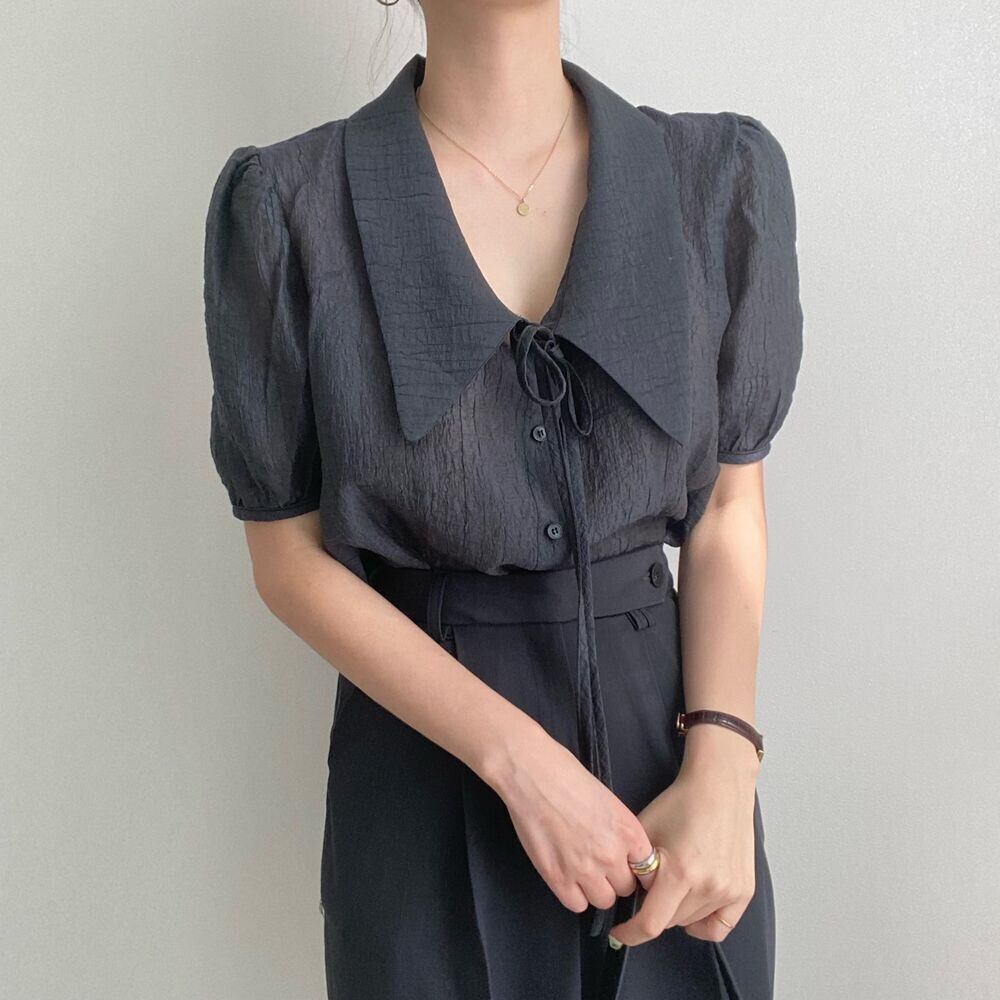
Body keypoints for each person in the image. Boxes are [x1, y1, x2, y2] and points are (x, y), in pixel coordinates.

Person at [202, 3, 803, 998]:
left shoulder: (715, 180)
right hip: (426, 783)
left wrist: (725, 760)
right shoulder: (288, 207)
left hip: (679, 791)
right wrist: (518, 763)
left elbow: (729, 509)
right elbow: (287, 558)